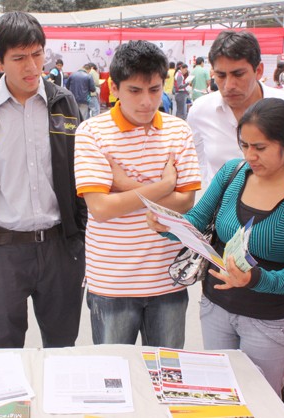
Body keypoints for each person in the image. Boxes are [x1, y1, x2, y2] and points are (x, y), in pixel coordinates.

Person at [147, 97, 284, 398]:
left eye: (260, 148)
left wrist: (255, 279)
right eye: (244, 145)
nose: (250, 156)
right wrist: (169, 225)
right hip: (215, 308)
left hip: (268, 322)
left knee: (260, 401)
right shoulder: (233, 173)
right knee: (219, 398)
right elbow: (197, 221)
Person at [0, 11, 87, 349]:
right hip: (1, 250)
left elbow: (82, 173)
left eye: (37, 54)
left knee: (62, 348)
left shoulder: (63, 104)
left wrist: (81, 237)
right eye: (19, 58)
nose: (32, 66)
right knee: (5, 351)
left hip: (60, 247)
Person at [74, 40, 202, 348]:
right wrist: (164, 186)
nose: (146, 101)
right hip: (111, 282)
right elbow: (101, 208)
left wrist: (125, 185)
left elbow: (185, 202)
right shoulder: (92, 133)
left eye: (154, 90)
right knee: (114, 371)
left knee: (167, 369)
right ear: (114, 88)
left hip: (168, 279)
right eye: (135, 90)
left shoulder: (178, 131)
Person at [186, 30, 284, 187]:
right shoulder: (200, 111)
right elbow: (198, 163)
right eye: (221, 76)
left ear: (259, 71)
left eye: (238, 74)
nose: (229, 85)